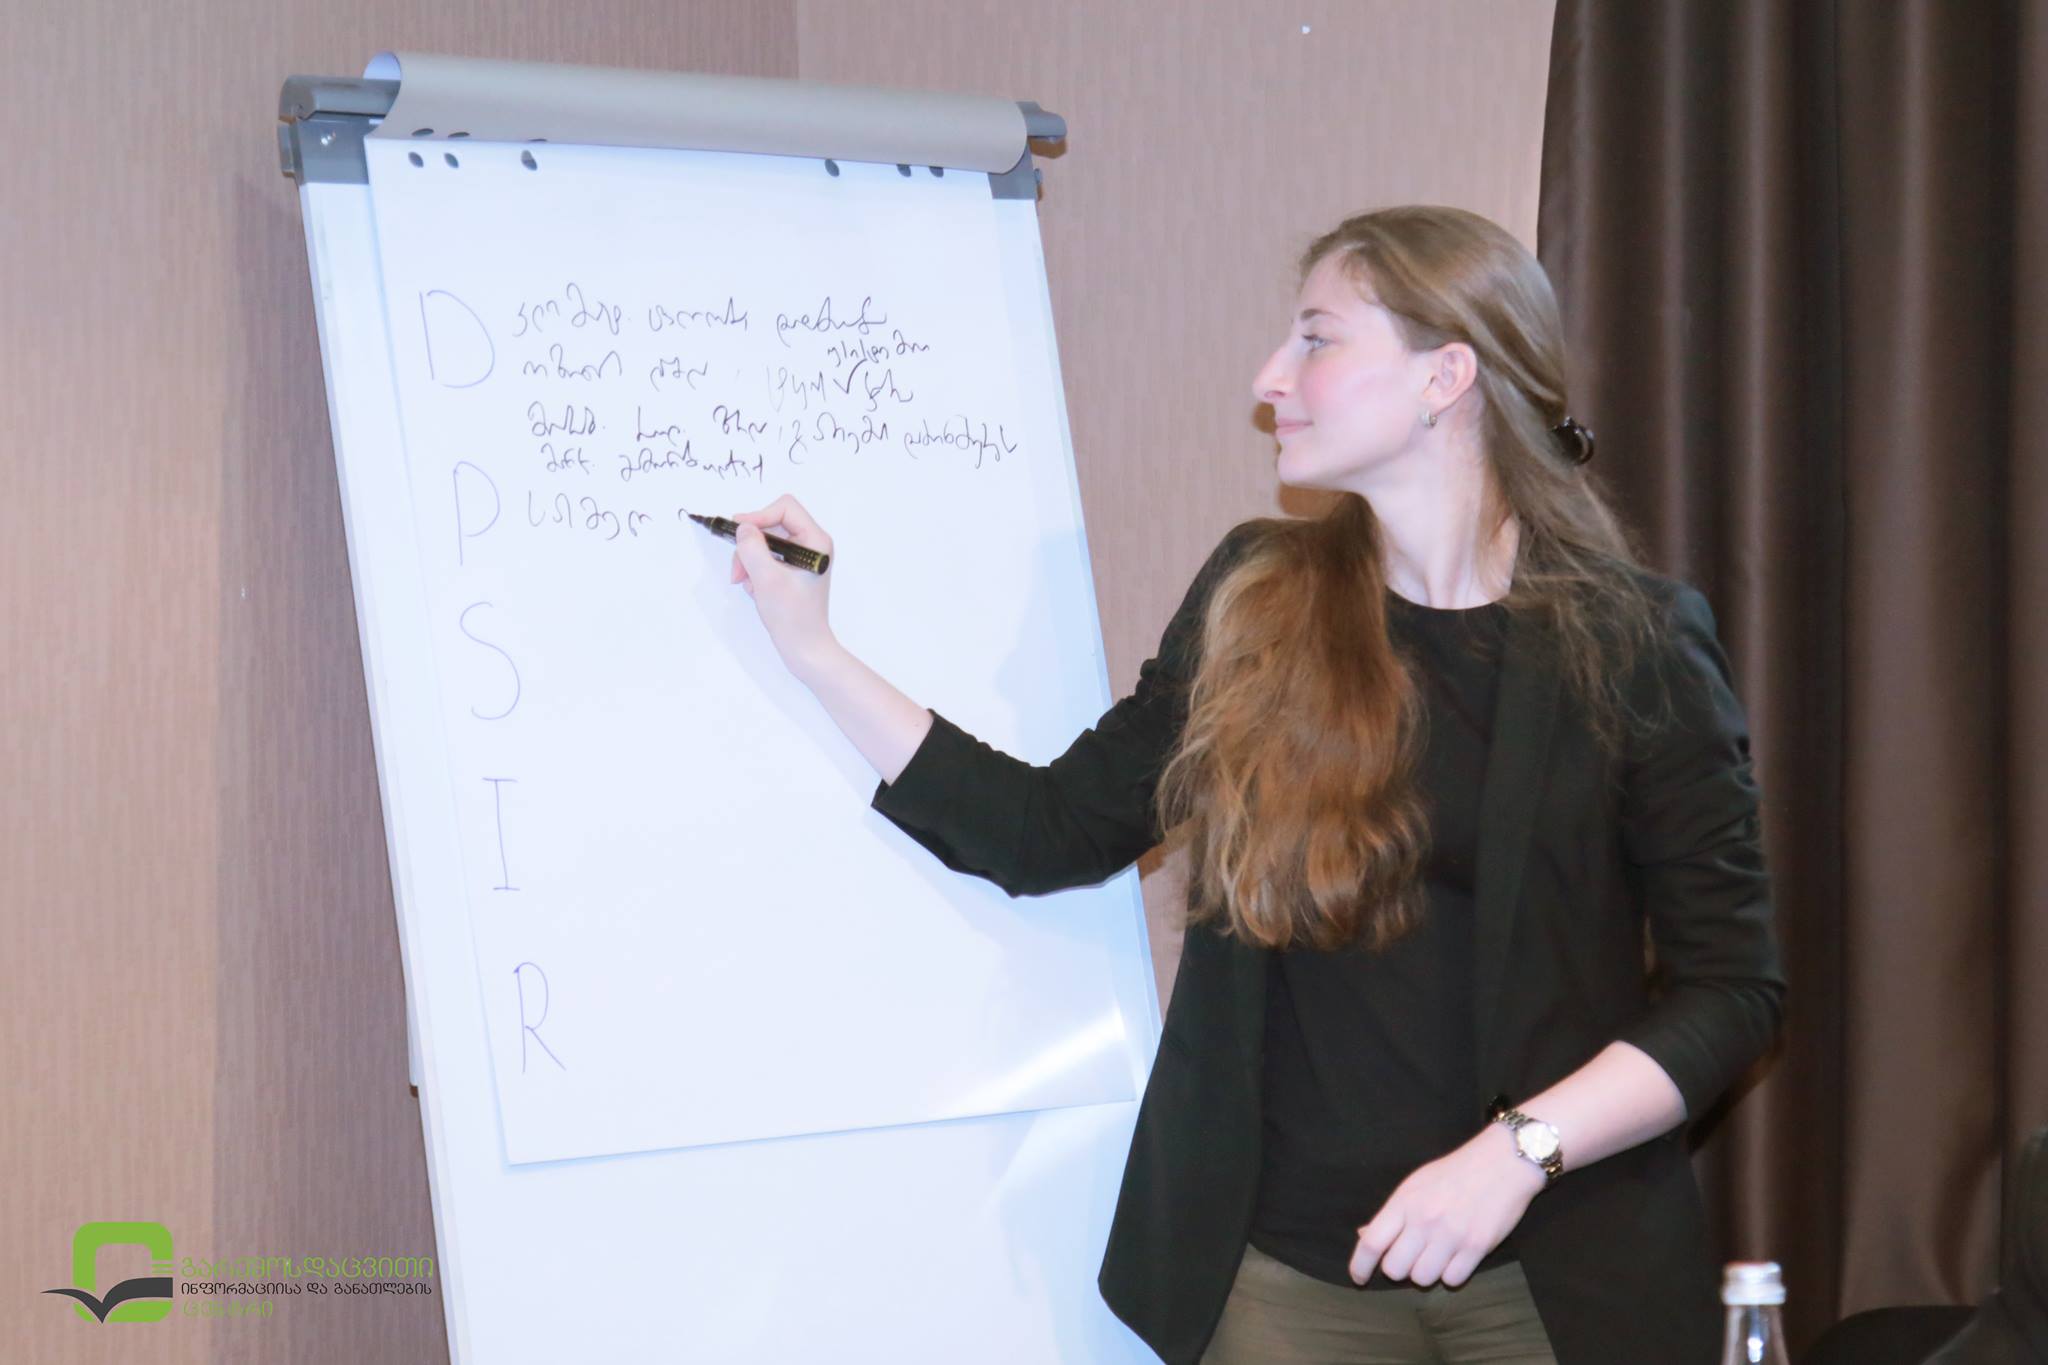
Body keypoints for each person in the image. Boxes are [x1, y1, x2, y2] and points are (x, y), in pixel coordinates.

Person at [724, 205, 1786, 1365]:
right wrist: (814, 650)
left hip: (1559, 1276)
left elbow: (1731, 989)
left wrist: (1517, 1154)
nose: (1268, 378)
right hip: (1281, 1284)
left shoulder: (1633, 642)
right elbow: (1047, 830)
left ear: (1444, 378)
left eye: (1315, 340)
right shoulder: (1258, 596)